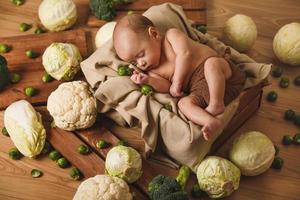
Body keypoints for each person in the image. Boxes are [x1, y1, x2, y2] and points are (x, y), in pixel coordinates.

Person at [113, 14, 246, 141]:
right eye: (134, 62)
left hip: (224, 75)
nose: (141, 63)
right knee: (183, 104)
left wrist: (177, 82)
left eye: (141, 54)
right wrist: (148, 80)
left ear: (154, 34)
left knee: (212, 64)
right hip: (201, 91)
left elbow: (185, 54)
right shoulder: (151, 71)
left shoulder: (171, 37)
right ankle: (210, 121)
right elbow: (165, 86)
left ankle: (216, 104)